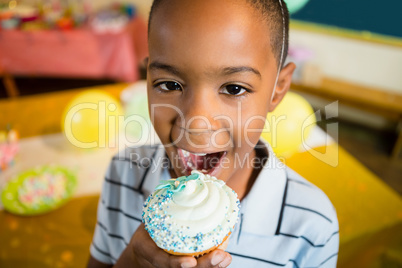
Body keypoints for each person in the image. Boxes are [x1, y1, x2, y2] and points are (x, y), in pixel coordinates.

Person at [87, 0, 339, 267]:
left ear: (278, 89)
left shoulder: (311, 225)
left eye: (233, 89)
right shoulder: (123, 173)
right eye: (169, 84)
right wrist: (131, 263)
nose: (196, 123)